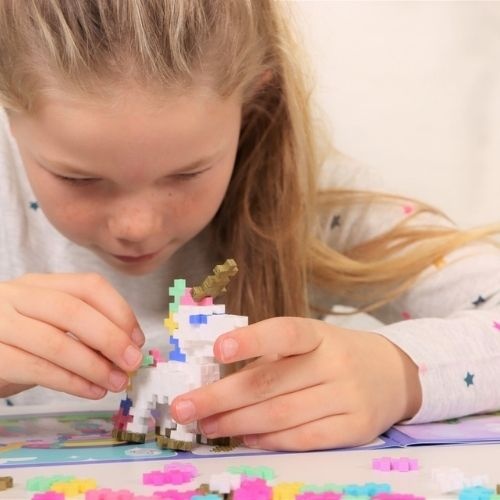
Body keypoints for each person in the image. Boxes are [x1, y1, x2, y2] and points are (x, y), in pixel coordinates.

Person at [0, 0, 499, 452]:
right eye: (79, 179)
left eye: (187, 173)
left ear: (252, 100)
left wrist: (398, 373)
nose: (137, 226)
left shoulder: (305, 198)